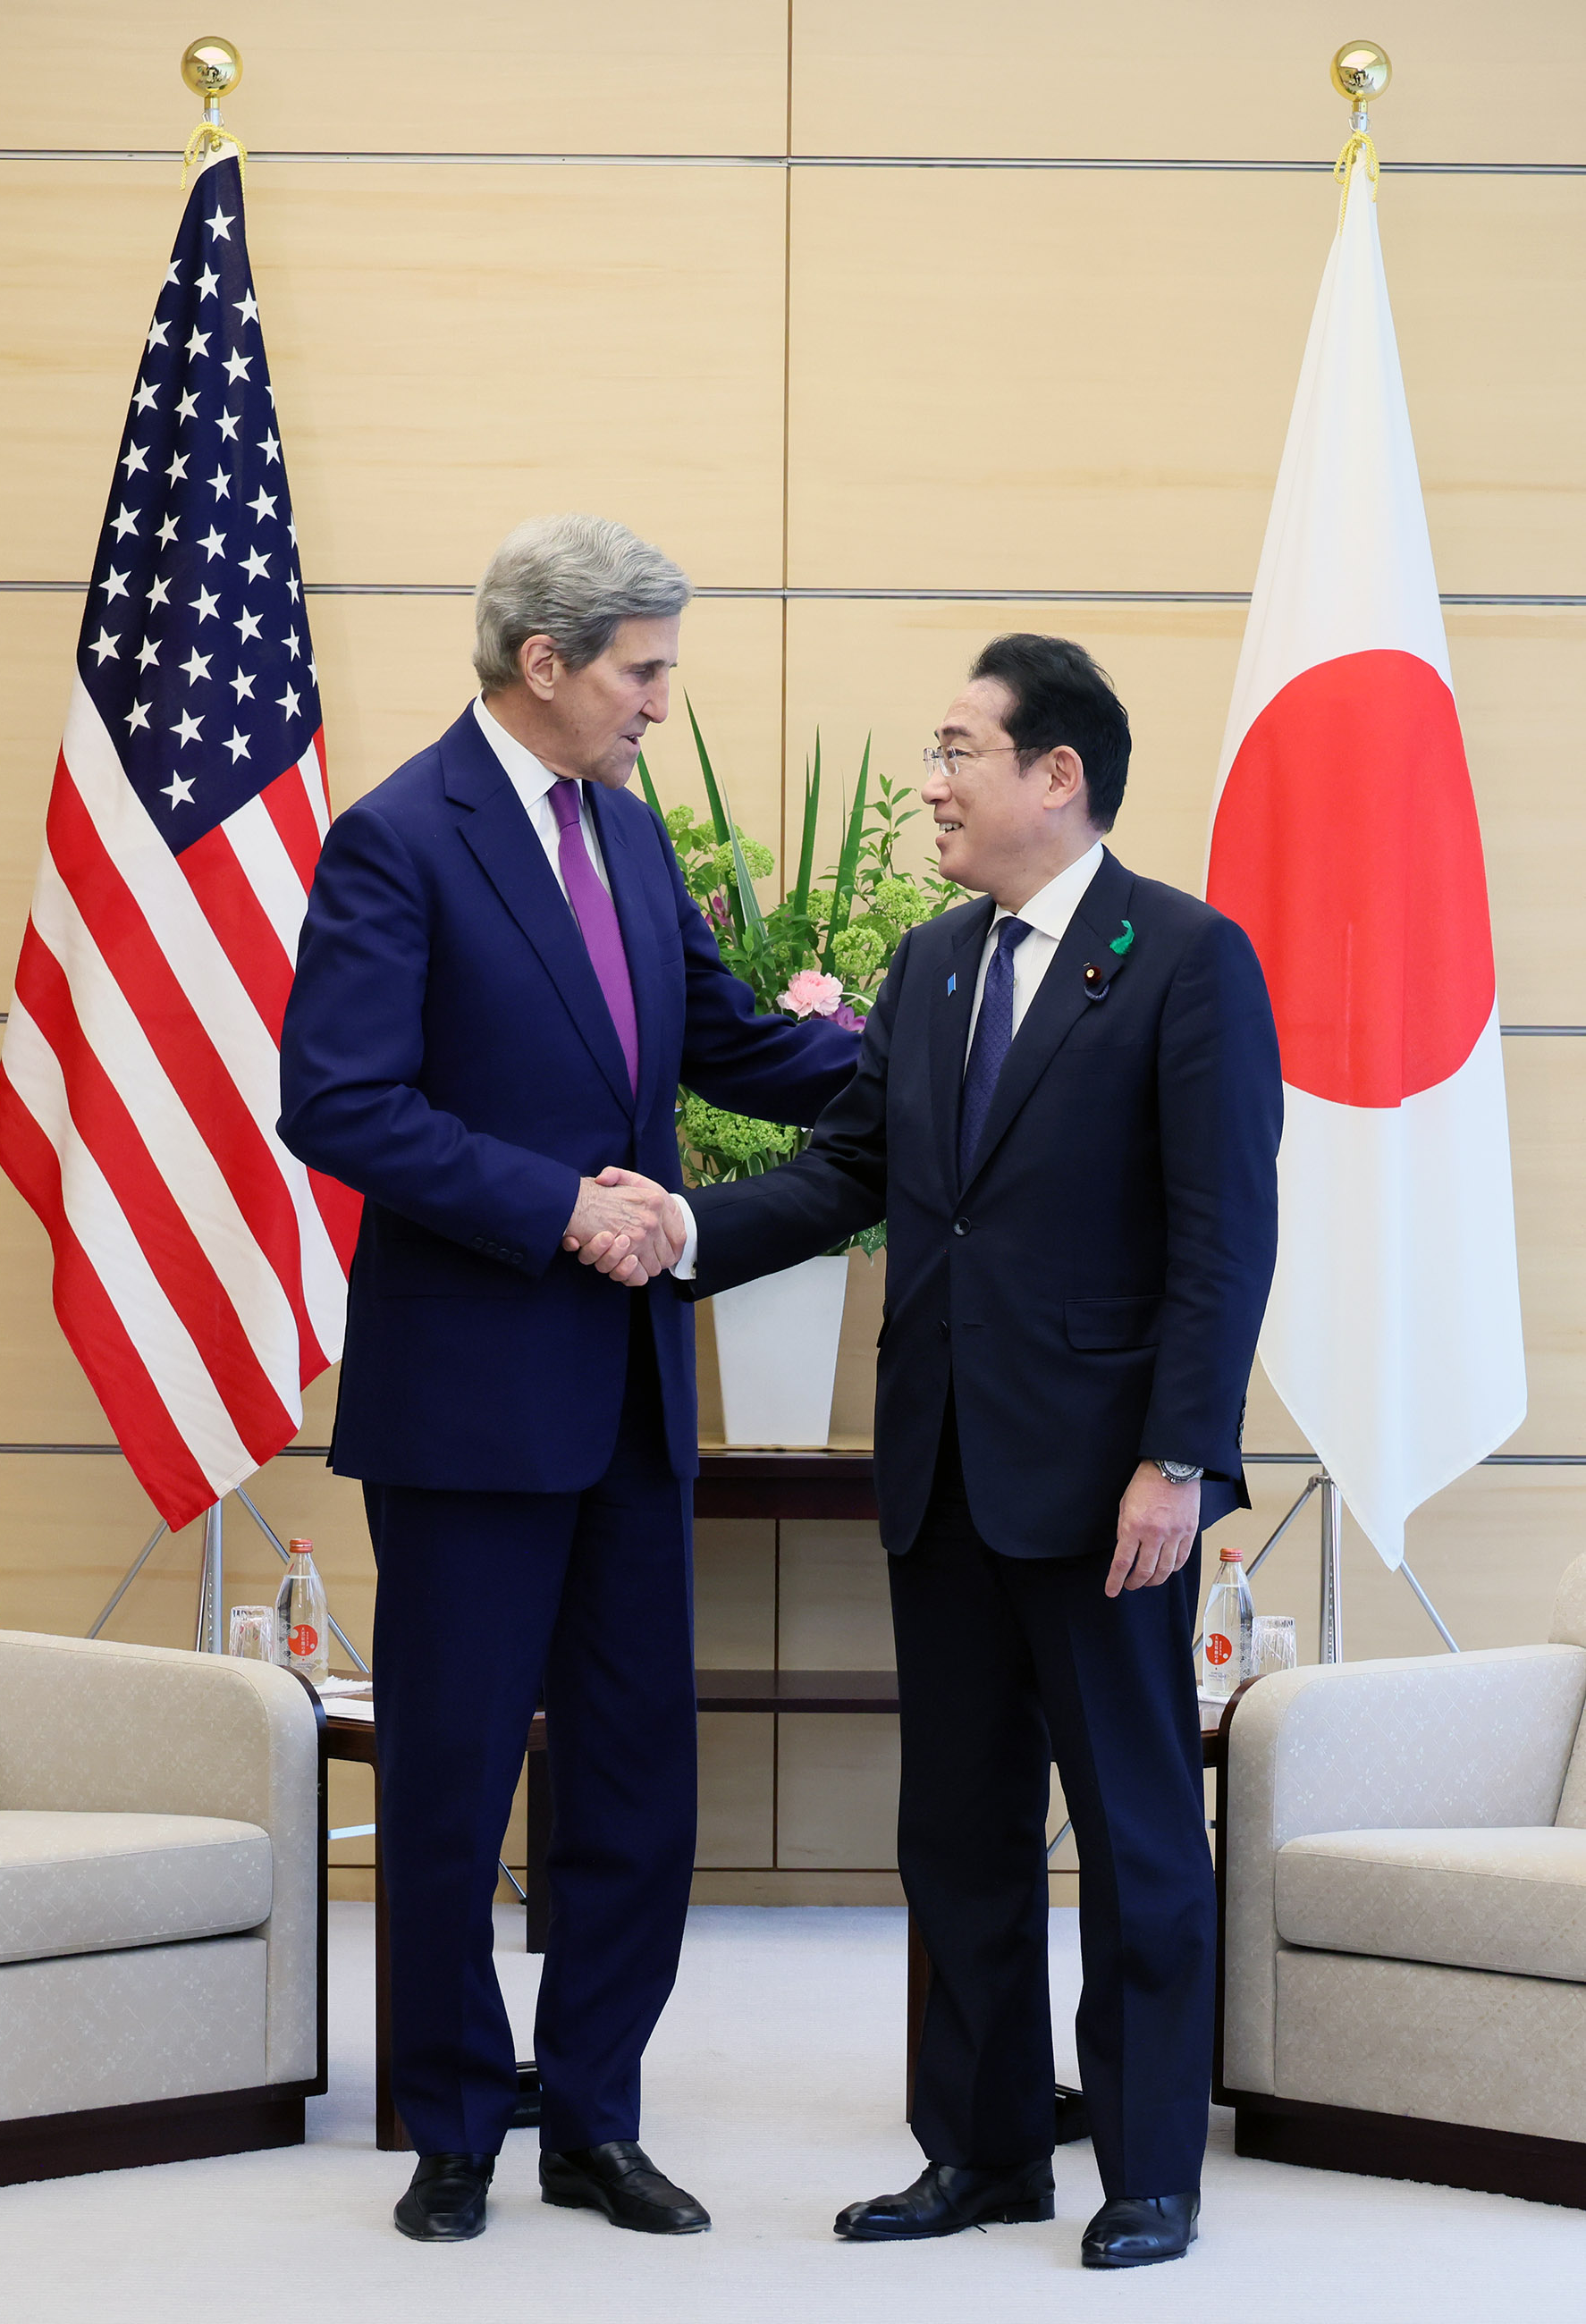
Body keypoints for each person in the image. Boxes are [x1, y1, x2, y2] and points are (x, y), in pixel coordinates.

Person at [578, 634, 1281, 2269]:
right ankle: (978, 2152)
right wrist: (681, 1228)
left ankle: (1149, 2173)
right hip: (945, 1468)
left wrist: (1178, 1461)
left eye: (960, 750)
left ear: (1059, 775)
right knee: (956, 1831)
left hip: (1109, 1487)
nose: (932, 785)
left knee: (1132, 1833)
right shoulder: (933, 963)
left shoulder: (1185, 958)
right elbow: (846, 1174)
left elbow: (1222, 1236)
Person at [278, 514, 858, 2244]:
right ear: (546, 663)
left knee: (633, 1777)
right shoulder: (400, 837)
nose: (661, 705)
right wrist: (560, 1207)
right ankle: (455, 2129)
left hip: (628, 1402)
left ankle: (595, 2119)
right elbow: (340, 1102)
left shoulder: (631, 831)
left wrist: (952, 1049)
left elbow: (731, 1041)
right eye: (642, 672)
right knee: (453, 1779)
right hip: (468, 1403)